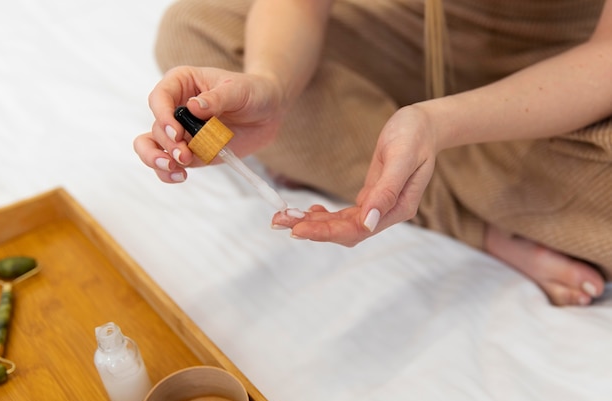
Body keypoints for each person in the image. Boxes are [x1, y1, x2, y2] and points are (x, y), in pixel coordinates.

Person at [133, 0, 612, 306]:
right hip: (402, 29)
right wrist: (272, 87)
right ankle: (479, 212)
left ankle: (415, 169)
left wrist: (436, 123)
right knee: (196, 31)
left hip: (567, 64)